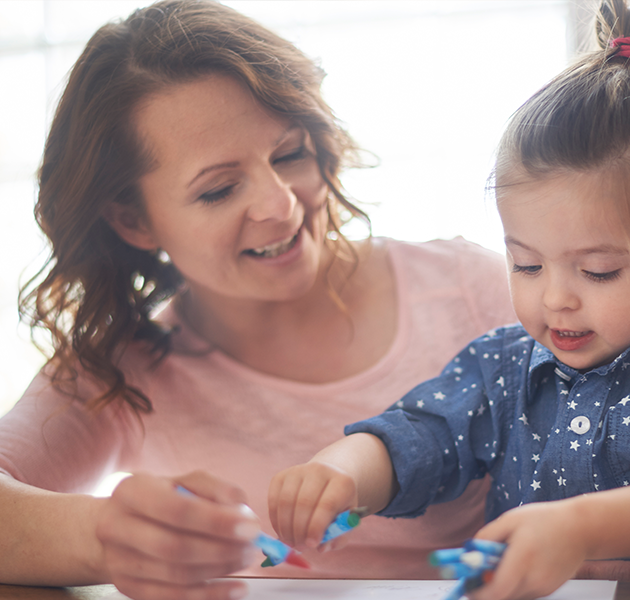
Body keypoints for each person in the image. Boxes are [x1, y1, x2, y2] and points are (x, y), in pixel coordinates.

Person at [268, 1, 630, 599]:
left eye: (598, 271)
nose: (555, 299)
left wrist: (578, 528)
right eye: (526, 264)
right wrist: (341, 471)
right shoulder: (503, 366)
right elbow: (422, 434)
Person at [0, 2, 517, 600]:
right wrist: (105, 538)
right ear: (133, 220)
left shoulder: (476, 291)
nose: (281, 206)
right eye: (218, 189)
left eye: (290, 154)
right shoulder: (123, 370)